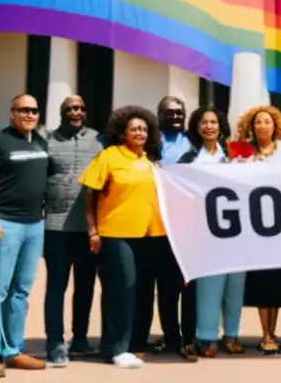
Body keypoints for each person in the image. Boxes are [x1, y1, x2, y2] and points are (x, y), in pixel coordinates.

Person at [79, 105, 167, 369]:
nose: (140, 132)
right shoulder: (109, 156)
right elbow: (89, 194)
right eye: (134, 128)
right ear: (122, 133)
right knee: (122, 289)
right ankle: (116, 348)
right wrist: (92, 231)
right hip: (116, 234)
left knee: (139, 291)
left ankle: (127, 345)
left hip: (148, 235)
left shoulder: (148, 161)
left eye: (144, 128)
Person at [0, 94, 52, 377]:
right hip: (5, 224)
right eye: (24, 110)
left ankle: (14, 350)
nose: (30, 114)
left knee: (20, 292)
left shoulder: (41, 143)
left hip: (34, 225)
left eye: (34, 110)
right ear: (12, 114)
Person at [179, 107, 247, 358]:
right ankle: (207, 337)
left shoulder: (233, 153)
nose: (209, 126)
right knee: (210, 285)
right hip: (206, 232)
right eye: (204, 122)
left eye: (214, 122)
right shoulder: (190, 158)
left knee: (235, 285)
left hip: (238, 230)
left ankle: (232, 334)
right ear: (196, 127)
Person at [42, 95, 103, 367]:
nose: (75, 112)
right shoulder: (48, 140)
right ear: (62, 113)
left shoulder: (99, 141)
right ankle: (55, 341)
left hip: (89, 227)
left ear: (86, 112)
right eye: (70, 109)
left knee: (86, 286)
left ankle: (80, 338)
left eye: (80, 108)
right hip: (55, 226)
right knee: (57, 285)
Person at [238, 105, 281, 355]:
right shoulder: (241, 150)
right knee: (261, 282)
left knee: (279, 282)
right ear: (251, 126)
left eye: (267, 122)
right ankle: (264, 335)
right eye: (258, 122)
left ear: (276, 126)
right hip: (254, 227)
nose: (262, 126)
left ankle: (273, 332)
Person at [148, 96, 196, 359]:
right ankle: (170, 337)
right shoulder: (151, 143)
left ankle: (189, 338)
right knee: (166, 288)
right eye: (170, 113)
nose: (176, 117)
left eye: (180, 113)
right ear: (159, 115)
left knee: (189, 287)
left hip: (190, 225)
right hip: (159, 225)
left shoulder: (194, 141)